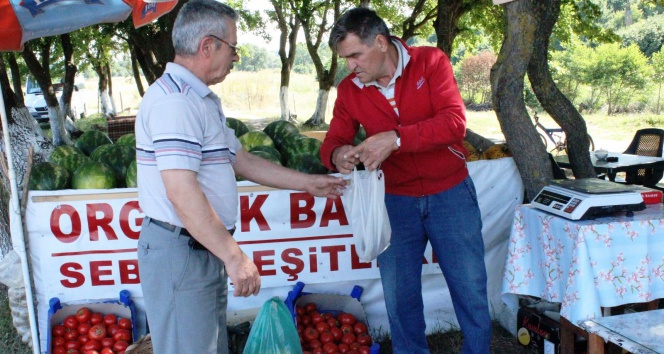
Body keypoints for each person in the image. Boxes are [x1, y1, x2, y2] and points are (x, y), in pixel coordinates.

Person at [134, 1, 346, 353]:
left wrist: (310, 184)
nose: (236, 57)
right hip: (183, 251)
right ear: (207, 46)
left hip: (200, 248)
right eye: (232, 47)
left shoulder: (199, 100)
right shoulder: (176, 102)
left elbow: (241, 160)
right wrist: (234, 257)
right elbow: (181, 191)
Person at [320, 7, 492, 354]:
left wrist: (395, 138)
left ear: (381, 42)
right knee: (400, 298)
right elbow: (332, 143)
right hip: (394, 201)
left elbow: (454, 123)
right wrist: (340, 156)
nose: (350, 65)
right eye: (345, 58)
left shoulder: (430, 62)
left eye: (355, 55)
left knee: (470, 290)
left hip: (451, 193)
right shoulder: (349, 89)